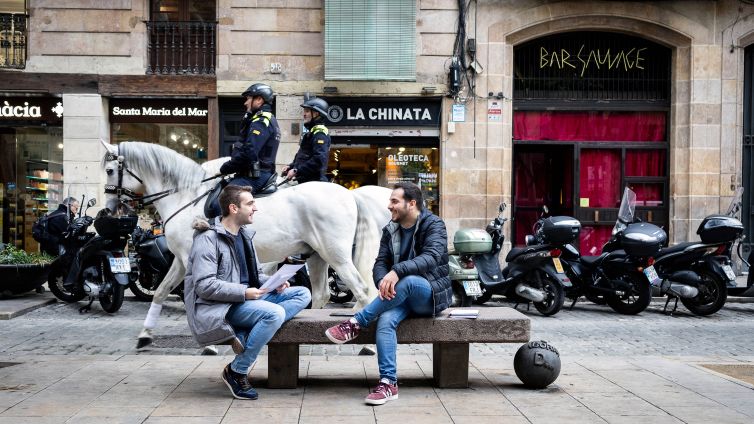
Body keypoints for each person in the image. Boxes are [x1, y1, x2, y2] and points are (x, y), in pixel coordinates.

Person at [324, 182, 452, 405]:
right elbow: (380, 262)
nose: (389, 206)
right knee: (385, 321)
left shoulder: (434, 225)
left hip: (428, 295)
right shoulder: (390, 229)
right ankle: (388, 383)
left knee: (410, 281)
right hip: (397, 297)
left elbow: (431, 257)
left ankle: (356, 322)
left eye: (394, 201)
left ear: (411, 204)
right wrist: (383, 280)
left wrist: (396, 272)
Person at [184, 185, 311, 400]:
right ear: (234, 208)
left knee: (303, 294)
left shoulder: (244, 236)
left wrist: (274, 282)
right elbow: (204, 286)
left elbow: (255, 275)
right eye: (250, 203)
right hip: (222, 306)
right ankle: (237, 370)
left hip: (246, 299)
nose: (256, 208)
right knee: (274, 314)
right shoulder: (207, 240)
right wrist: (244, 292)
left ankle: (246, 331)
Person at [220, 83, 281, 193]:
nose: (245, 103)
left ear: (259, 100)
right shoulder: (263, 119)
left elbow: (249, 153)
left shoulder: (261, 121)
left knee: (219, 202)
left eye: (248, 99)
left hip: (255, 177)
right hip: (253, 174)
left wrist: (227, 167)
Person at [281, 95, 331, 184]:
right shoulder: (311, 133)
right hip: (305, 182)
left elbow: (319, 160)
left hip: (314, 183)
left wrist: (297, 171)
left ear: (316, 113)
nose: (304, 114)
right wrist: (291, 166)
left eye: (307, 111)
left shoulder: (320, 133)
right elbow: (303, 158)